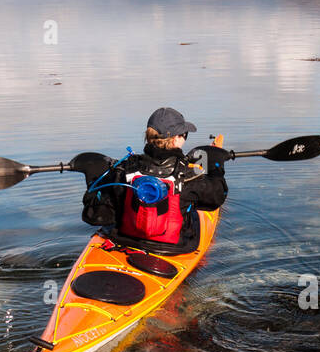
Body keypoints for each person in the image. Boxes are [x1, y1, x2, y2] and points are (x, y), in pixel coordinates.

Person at [81, 107, 228, 250]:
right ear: (176, 139)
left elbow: (95, 211)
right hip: (176, 246)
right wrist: (217, 171)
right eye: (184, 134)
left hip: (126, 238)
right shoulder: (190, 175)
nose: (184, 138)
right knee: (195, 211)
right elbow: (216, 200)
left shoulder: (125, 169)